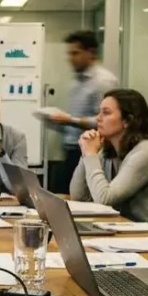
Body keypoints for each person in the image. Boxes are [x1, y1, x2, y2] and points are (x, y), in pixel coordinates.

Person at [70, 89, 148, 231]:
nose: (98, 118)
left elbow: (105, 199)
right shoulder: (107, 149)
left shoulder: (147, 152)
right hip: (129, 229)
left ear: (128, 121)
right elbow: (78, 196)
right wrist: (86, 152)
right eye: (99, 112)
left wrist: (90, 154)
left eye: (106, 113)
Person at [46, 31, 119, 193]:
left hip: (92, 151)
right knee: (61, 195)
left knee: (80, 198)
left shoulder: (103, 82)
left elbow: (104, 121)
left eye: (75, 53)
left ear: (91, 53)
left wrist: (71, 120)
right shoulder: (76, 82)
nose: (70, 58)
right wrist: (57, 122)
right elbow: (74, 120)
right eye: (69, 54)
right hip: (71, 149)